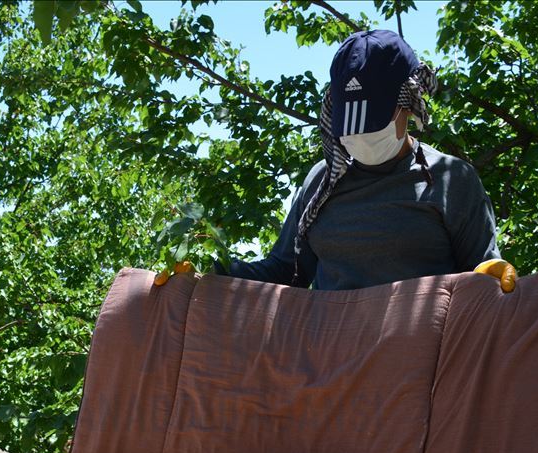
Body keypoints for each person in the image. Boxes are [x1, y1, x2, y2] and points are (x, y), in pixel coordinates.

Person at [160, 29, 516, 292]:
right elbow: (285, 272)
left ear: (409, 103)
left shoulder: (450, 179)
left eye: (372, 122)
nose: (360, 136)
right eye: (351, 125)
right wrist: (209, 273)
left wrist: (490, 273)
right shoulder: (322, 182)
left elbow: (481, 273)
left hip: (419, 360)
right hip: (330, 360)